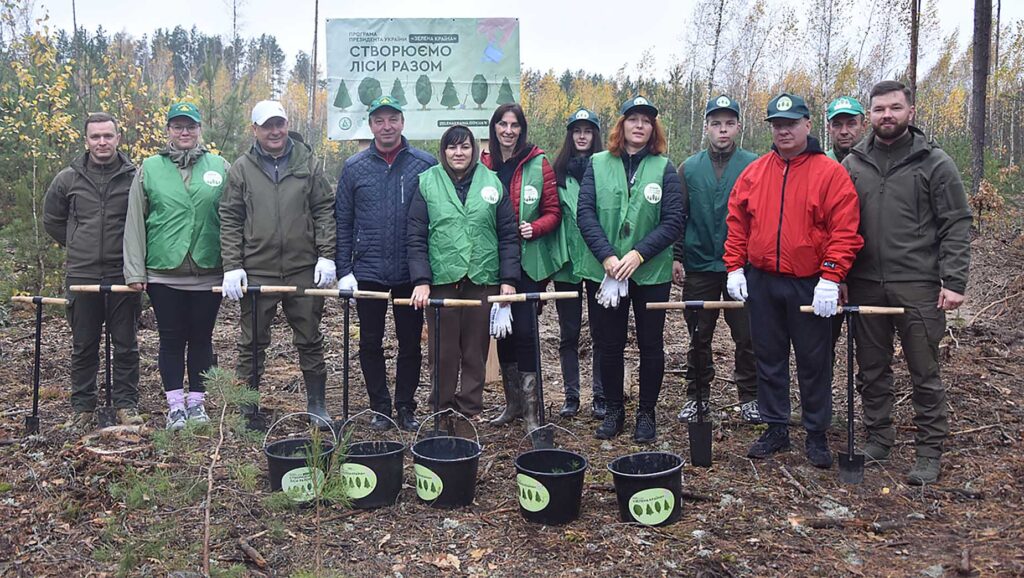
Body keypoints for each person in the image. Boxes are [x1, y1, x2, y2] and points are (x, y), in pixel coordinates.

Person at [842, 80, 972, 485]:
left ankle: (930, 451)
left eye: (895, 108)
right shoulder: (853, 163)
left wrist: (954, 281)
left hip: (917, 283)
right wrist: (839, 276)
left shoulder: (934, 162)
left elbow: (956, 223)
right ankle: (879, 436)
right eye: (879, 109)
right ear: (870, 114)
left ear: (910, 112)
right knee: (871, 368)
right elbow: (839, 226)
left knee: (924, 369)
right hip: (864, 283)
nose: (887, 116)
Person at [724, 93, 863, 469]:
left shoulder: (829, 172)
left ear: (807, 125)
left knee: (814, 359)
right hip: (763, 281)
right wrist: (735, 267)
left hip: (810, 283)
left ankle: (816, 433)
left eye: (790, 123)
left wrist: (831, 276)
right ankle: (776, 427)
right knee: (767, 356)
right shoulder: (755, 171)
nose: (783, 130)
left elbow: (845, 229)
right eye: (776, 124)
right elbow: (738, 223)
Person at [220, 100, 337, 429]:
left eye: (279, 124)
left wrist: (327, 254)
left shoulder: (307, 162)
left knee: (310, 338)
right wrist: (232, 264)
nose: (275, 131)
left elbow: (324, 209)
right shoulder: (241, 168)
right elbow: (230, 217)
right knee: (252, 342)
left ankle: (317, 405)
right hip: (258, 268)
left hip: (302, 268)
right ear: (255, 130)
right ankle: (249, 408)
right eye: (267, 125)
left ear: (287, 125)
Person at [577, 96, 684, 443]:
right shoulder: (596, 163)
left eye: (646, 121)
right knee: (609, 344)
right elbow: (586, 214)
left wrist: (638, 254)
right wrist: (608, 257)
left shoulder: (664, 167)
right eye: (633, 119)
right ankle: (614, 411)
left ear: (654, 129)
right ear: (621, 125)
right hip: (606, 272)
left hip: (650, 273)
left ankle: (646, 415)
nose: (639, 125)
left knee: (651, 345)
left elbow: (672, 221)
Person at [123, 102, 228, 431]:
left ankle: (197, 404)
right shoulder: (150, 167)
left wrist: (236, 267)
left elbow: (234, 219)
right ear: (168, 130)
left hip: (208, 270)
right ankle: (175, 408)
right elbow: (135, 222)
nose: (185, 132)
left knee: (202, 339)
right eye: (178, 126)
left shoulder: (220, 166)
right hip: (162, 273)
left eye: (191, 126)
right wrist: (135, 271)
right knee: (170, 340)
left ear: (200, 130)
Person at [335, 95, 437, 432]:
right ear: (371, 125)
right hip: (368, 271)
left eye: (392, 119)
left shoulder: (424, 165)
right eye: (379, 120)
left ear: (403, 122)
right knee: (370, 342)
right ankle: (380, 406)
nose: (386, 126)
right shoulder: (354, 168)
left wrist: (427, 271)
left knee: (410, 343)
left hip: (410, 271)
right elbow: (343, 222)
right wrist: (343, 270)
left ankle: (406, 406)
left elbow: (435, 220)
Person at [406, 125, 519, 424]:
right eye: (452, 147)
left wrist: (508, 280)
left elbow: (508, 234)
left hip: (482, 278)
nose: (459, 153)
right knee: (442, 354)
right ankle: (441, 412)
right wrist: (421, 281)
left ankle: (470, 410)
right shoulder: (428, 182)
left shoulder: (492, 183)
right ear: (444, 151)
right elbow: (416, 236)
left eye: (465, 147)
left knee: (474, 350)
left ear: (474, 149)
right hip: (442, 280)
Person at [43, 112, 143, 432]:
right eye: (95, 136)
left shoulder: (135, 177)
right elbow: (52, 220)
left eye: (108, 136)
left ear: (118, 138)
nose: (102, 142)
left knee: (125, 343)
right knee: (84, 344)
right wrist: (77, 245)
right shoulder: (67, 179)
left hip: (122, 274)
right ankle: (82, 407)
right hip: (82, 275)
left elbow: (146, 221)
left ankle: (126, 404)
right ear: (86, 140)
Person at [672, 95, 760, 425]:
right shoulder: (689, 167)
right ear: (707, 127)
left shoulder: (754, 165)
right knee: (698, 334)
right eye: (716, 124)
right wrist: (676, 257)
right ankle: (697, 396)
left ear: (738, 126)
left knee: (747, 335)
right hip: (699, 265)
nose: (722, 130)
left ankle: (750, 396)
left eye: (729, 123)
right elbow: (678, 216)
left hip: (741, 266)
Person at [480, 103, 564, 433]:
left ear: (522, 128)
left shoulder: (538, 162)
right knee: (504, 332)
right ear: (495, 128)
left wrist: (537, 227)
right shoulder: (484, 164)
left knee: (526, 330)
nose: (508, 131)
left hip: (529, 261)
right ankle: (512, 404)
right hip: (496, 259)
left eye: (515, 125)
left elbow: (553, 211)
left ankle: (533, 412)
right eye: (503, 124)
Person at [550, 108, 605, 419]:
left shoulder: (606, 170)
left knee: (601, 332)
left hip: (599, 262)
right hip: (567, 264)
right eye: (577, 130)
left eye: (588, 130)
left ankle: (600, 394)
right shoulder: (557, 173)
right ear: (570, 135)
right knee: (568, 332)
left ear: (595, 135)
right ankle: (571, 395)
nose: (582, 136)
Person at [825, 96, 867, 163]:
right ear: (829, 128)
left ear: (863, 126)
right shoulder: (819, 164)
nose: (843, 131)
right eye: (837, 125)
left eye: (851, 124)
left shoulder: (876, 161)